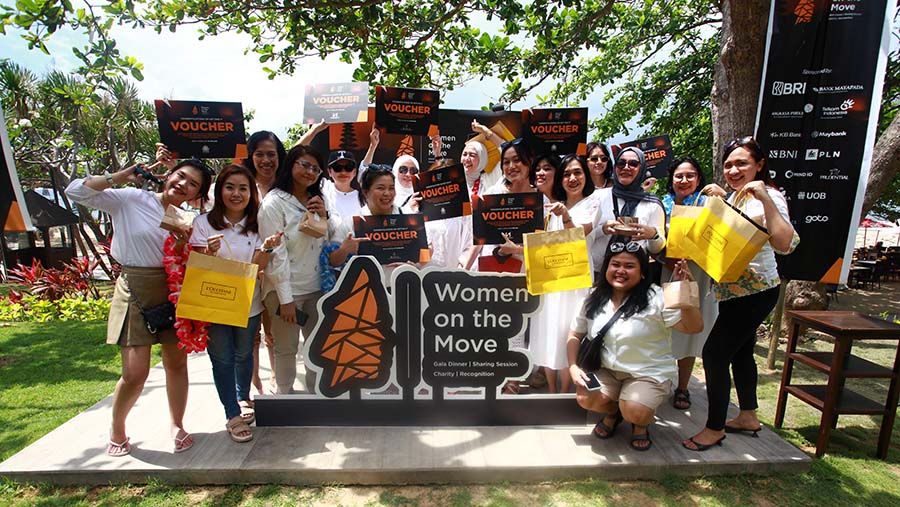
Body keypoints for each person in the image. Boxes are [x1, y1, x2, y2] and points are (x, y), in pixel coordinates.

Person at [66, 158, 213, 456]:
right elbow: (76, 192)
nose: (183, 184)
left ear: (197, 193)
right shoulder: (132, 199)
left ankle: (177, 424)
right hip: (133, 286)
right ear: (169, 175)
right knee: (135, 372)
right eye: (181, 176)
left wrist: (190, 245)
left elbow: (197, 259)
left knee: (176, 364)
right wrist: (121, 175)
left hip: (173, 288)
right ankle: (117, 427)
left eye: (193, 184)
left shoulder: (188, 219)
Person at [683, 136, 798, 451]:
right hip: (732, 293)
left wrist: (765, 198)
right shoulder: (736, 196)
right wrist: (721, 201)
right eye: (729, 164)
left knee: (714, 354)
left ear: (759, 165)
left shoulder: (769, 195)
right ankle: (748, 415)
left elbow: (785, 243)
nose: (734, 170)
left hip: (756, 290)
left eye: (742, 163)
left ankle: (714, 428)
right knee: (741, 353)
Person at [567, 242, 703, 450]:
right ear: (606, 268)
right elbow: (575, 334)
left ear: (641, 272)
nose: (621, 271)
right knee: (585, 397)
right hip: (606, 369)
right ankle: (615, 411)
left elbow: (693, 327)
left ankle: (640, 422)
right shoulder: (593, 297)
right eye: (615, 264)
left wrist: (687, 295)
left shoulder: (657, 297)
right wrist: (573, 367)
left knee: (636, 409)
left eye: (629, 266)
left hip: (648, 372)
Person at [188, 165, 283, 443]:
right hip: (213, 303)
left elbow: (257, 267)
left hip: (248, 303)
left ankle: (243, 398)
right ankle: (232, 414)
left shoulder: (256, 226)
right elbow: (195, 266)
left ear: (251, 194)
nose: (236, 193)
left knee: (244, 354)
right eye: (230, 187)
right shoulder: (203, 223)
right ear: (219, 191)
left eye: (243, 188)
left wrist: (267, 247)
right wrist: (208, 252)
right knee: (222, 358)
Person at [257, 145, 360, 394]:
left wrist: (325, 215)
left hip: (316, 288)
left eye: (315, 168)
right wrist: (286, 299)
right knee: (286, 347)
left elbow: (332, 239)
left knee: (317, 346)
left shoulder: (316, 201)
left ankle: (317, 395)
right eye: (304, 165)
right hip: (285, 290)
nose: (310, 172)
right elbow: (276, 256)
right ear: (290, 165)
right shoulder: (274, 203)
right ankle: (286, 394)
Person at [530, 155, 599, 393]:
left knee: (570, 328)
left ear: (586, 176)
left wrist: (566, 216)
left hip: (576, 279)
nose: (572, 178)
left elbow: (579, 235)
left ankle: (566, 390)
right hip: (551, 279)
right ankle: (551, 390)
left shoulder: (592, 203)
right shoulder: (551, 207)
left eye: (578, 173)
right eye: (567, 174)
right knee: (549, 329)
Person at [660, 157, 718, 410]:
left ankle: (683, 387)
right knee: (666, 328)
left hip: (699, 275)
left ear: (698, 179)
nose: (684, 181)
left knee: (690, 330)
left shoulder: (710, 205)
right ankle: (659, 383)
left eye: (690, 175)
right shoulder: (662, 205)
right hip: (668, 272)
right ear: (671, 179)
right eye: (679, 176)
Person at [587, 147, 666, 274]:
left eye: (633, 164)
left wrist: (652, 234)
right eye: (621, 163)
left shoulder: (652, 204)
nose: (626, 167)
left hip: (633, 277)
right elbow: (582, 236)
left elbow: (657, 248)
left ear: (642, 169)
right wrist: (603, 229)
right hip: (597, 274)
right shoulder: (597, 197)